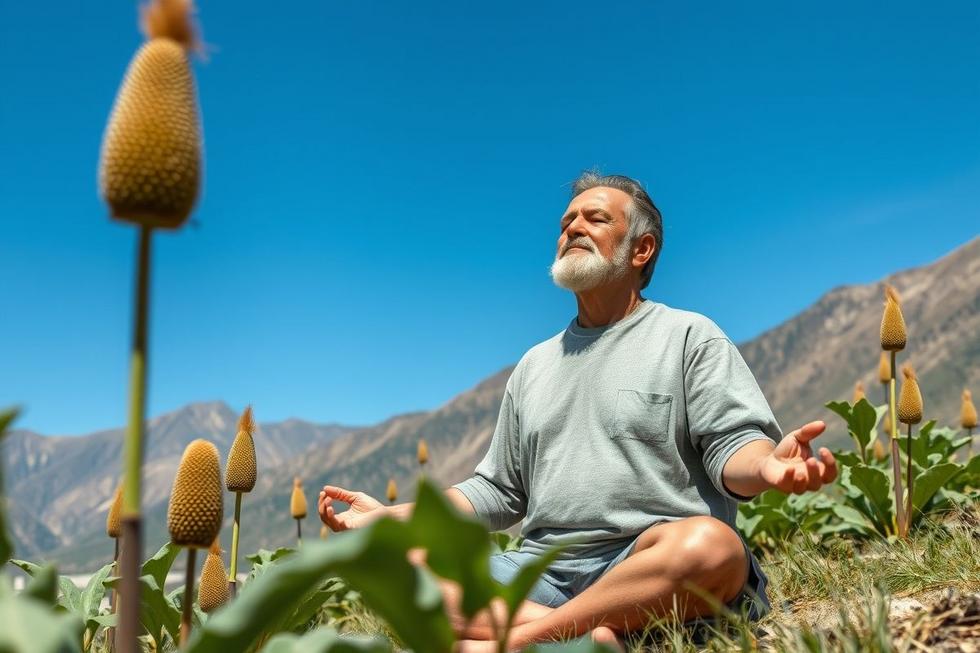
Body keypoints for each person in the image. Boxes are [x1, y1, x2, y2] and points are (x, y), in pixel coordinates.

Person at [318, 172, 837, 652]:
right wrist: (392, 519)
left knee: (711, 548)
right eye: (566, 222)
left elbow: (733, 449)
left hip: (647, 558)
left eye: (595, 218)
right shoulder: (533, 365)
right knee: (400, 568)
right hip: (538, 571)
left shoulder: (687, 336)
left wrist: (768, 466)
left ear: (642, 249)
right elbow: (497, 491)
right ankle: (587, 635)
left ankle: (519, 640)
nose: (573, 228)